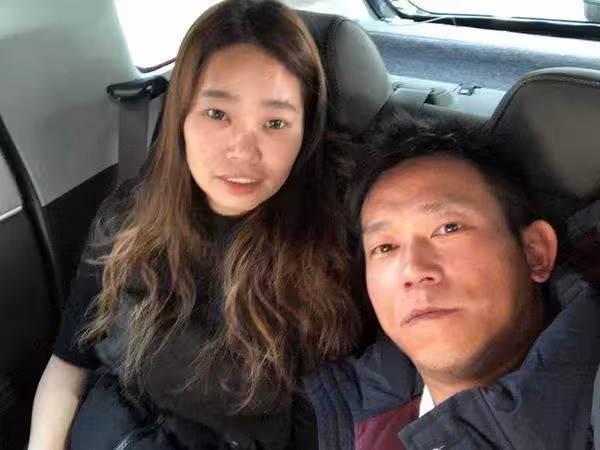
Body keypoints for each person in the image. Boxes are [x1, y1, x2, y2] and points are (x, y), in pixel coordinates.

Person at [27, 1, 364, 449]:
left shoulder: (340, 244)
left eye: (275, 122)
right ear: (180, 115)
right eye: (218, 114)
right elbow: (69, 363)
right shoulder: (128, 216)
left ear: (306, 132)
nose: (242, 152)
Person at [304, 121, 600, 450]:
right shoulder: (333, 412)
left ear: (535, 253)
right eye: (385, 247)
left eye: (449, 228)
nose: (413, 270)